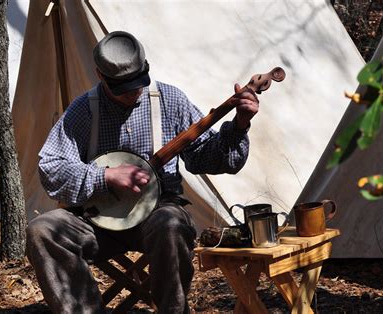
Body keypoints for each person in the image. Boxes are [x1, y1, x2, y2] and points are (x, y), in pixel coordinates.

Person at [26, 31, 259, 313]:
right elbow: (51, 167)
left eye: (138, 83)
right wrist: (104, 177)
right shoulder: (84, 110)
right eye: (122, 87)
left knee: (170, 225)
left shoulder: (170, 100)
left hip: (157, 215)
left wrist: (240, 126)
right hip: (98, 222)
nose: (133, 92)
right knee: (43, 230)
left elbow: (207, 158)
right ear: (100, 75)